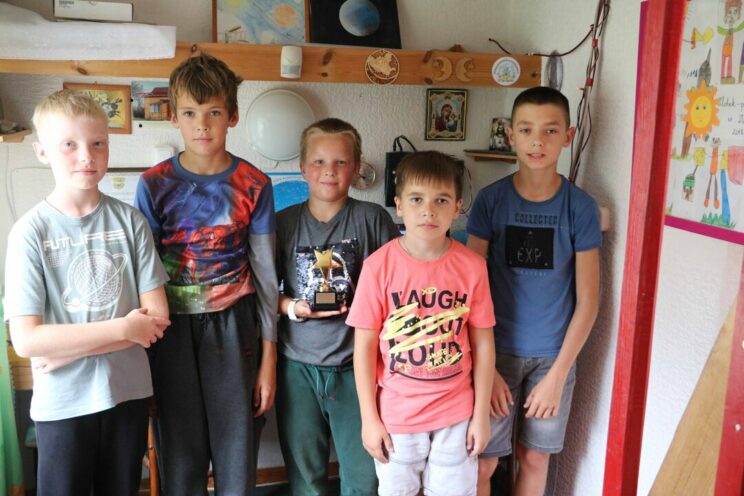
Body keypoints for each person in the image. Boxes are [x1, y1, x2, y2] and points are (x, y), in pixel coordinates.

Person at [4, 89, 170, 496]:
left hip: (127, 394)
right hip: (62, 403)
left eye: (98, 143)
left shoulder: (131, 222)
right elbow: (28, 340)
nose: (86, 156)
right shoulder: (29, 233)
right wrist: (123, 329)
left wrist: (67, 350)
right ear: (43, 152)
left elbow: (154, 321)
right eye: (70, 145)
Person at [134, 52, 278, 495]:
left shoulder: (254, 184)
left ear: (232, 116)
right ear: (173, 117)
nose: (202, 125)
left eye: (214, 112)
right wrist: (144, 361)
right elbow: (143, 275)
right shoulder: (153, 184)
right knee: (181, 455)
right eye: (190, 113)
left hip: (235, 327)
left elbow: (266, 276)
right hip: (171, 329)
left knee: (237, 452)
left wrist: (269, 359)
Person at [467, 86, 601, 496]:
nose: (537, 141)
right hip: (495, 351)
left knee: (535, 458)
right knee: (483, 460)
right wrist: (485, 367)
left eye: (550, 131)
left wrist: (558, 375)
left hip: (553, 358)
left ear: (569, 136)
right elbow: (470, 289)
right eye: (526, 130)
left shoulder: (580, 208)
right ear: (511, 135)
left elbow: (589, 300)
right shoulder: (490, 201)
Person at [348, 151, 496, 496]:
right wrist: (369, 419)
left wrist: (481, 415)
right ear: (399, 205)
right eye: (417, 199)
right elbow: (364, 348)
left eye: (440, 200)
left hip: (456, 413)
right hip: (397, 415)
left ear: (457, 207)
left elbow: (484, 344)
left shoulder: (472, 267)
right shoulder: (378, 267)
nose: (428, 210)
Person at [275, 117, 399, 495]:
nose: (329, 171)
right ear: (302, 167)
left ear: (356, 167)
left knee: (363, 476)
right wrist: (294, 308)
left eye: (341, 162)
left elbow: (395, 291)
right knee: (305, 476)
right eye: (319, 161)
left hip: (355, 367)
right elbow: (263, 293)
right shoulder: (283, 224)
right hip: (297, 367)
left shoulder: (372, 219)